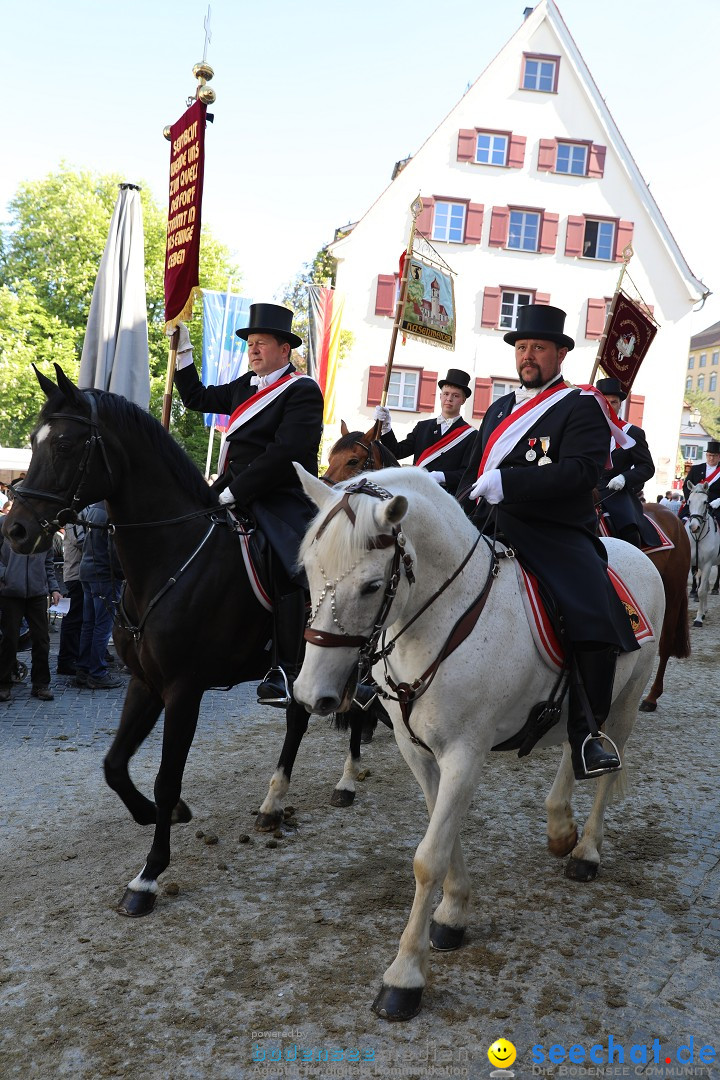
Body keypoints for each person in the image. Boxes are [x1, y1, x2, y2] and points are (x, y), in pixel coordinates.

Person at [457, 304, 640, 781]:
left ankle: (587, 732)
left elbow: (581, 472)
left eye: (538, 347)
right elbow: (474, 469)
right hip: (489, 522)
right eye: (521, 348)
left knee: (591, 610)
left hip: (553, 531)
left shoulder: (582, 406)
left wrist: (512, 485)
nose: (527, 355)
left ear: (560, 353)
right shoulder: (498, 408)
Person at [172, 303, 324, 706]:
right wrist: (184, 352)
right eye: (250, 344)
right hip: (231, 486)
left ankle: (284, 667)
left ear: (283, 349)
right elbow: (196, 398)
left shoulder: (303, 390)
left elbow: (285, 452)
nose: (253, 350)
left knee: (289, 562)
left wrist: (237, 491)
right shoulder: (244, 386)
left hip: (280, 493)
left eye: (261, 344)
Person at [374, 369, 476, 496]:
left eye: (455, 395)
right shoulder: (422, 427)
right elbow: (396, 452)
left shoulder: (471, 435)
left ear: (463, 400)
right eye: (446, 394)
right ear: (440, 396)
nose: (449, 399)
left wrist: (441, 476)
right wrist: (386, 427)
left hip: (447, 498)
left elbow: (468, 473)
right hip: (417, 494)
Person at [594, 376, 659, 548]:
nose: (608, 406)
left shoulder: (632, 433)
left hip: (615, 492)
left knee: (629, 528)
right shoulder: (583, 431)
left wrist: (624, 478)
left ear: (620, 404)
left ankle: (632, 567)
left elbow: (647, 467)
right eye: (603, 402)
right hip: (587, 490)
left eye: (613, 402)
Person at [0, 532, 61, 702]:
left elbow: (48, 564)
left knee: (42, 639)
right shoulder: (5, 525)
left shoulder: (45, 533)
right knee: (9, 639)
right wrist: (4, 575)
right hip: (10, 593)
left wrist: (54, 588)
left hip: (37, 594)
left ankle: (41, 684)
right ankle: (3, 683)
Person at [75, 502, 124, 690]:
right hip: (103, 574)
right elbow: (113, 548)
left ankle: (84, 669)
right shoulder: (111, 509)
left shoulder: (95, 508)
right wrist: (121, 573)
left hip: (88, 570)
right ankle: (97, 672)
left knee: (90, 624)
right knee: (102, 627)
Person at [56, 520, 86, 677]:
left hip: (79, 573)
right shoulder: (75, 517)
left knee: (79, 618)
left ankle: (74, 656)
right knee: (73, 618)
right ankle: (67, 660)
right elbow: (79, 540)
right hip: (76, 574)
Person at [682, 440, 720, 516]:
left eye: (714, 455)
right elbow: (686, 486)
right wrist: (690, 500)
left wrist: (719, 501)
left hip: (715, 506)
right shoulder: (696, 469)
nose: (711, 458)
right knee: (680, 521)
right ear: (706, 455)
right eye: (709, 455)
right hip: (695, 505)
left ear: (719, 456)